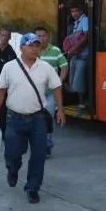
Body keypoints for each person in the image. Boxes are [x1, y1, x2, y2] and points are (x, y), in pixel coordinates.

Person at [0, 32, 65, 203]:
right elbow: (0, 90)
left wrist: (60, 110)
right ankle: (13, 168)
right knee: (13, 152)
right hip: (14, 118)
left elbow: (57, 87)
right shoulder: (9, 67)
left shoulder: (45, 67)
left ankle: (33, 188)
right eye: (30, 45)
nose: (34, 49)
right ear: (21, 48)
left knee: (39, 155)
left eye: (37, 45)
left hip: (38, 119)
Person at [35, 26, 68, 158]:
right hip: (36, 93)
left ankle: (47, 146)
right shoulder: (32, 51)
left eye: (43, 36)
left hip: (51, 92)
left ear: (48, 36)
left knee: (47, 117)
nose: (41, 39)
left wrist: (59, 81)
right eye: (38, 36)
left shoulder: (55, 50)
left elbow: (64, 66)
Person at [66, 5, 90, 112]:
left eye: (76, 10)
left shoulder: (85, 20)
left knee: (79, 79)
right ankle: (77, 100)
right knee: (73, 78)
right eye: (72, 11)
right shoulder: (76, 22)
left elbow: (86, 36)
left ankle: (82, 103)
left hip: (82, 55)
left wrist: (74, 48)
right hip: (75, 55)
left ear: (81, 11)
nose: (74, 13)